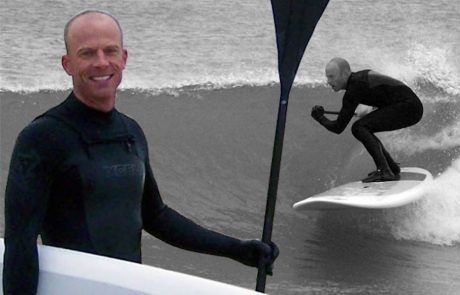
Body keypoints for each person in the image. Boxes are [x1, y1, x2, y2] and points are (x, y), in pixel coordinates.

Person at [2, 10, 278, 294]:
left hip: (124, 287)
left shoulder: (130, 132)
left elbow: (155, 216)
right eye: (87, 53)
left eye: (110, 51)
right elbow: (19, 243)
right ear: (67, 64)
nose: (101, 62)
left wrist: (236, 249)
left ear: (124, 58)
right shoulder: (42, 137)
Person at [311, 57, 423, 182]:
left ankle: (385, 171)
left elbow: (338, 127)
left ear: (345, 74)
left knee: (359, 127)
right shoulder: (358, 80)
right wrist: (370, 108)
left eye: (331, 76)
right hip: (408, 105)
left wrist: (319, 117)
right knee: (363, 126)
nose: (328, 81)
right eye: (327, 77)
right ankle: (391, 168)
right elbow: (386, 91)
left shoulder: (354, 89)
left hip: (409, 107)